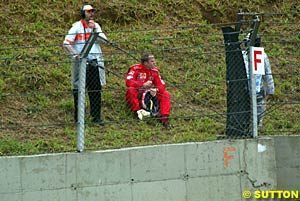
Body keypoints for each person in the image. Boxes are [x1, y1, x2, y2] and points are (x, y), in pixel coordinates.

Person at [63, 4, 108, 125]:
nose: (91, 14)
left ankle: (96, 117)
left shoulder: (96, 26)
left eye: (92, 11)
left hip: (94, 62)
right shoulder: (76, 27)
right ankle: (79, 119)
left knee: (96, 90)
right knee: (79, 90)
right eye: (88, 12)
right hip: (81, 63)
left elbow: (104, 41)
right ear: (83, 13)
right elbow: (66, 43)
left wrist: (95, 30)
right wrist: (75, 55)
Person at [125, 52, 172, 128]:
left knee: (165, 94)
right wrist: (142, 84)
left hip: (149, 95)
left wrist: (156, 89)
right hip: (137, 94)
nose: (155, 63)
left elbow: (162, 85)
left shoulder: (155, 71)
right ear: (145, 63)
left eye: (154, 60)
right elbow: (128, 81)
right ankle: (137, 113)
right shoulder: (135, 68)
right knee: (131, 90)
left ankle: (164, 119)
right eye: (152, 61)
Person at [243, 34, 275, 126]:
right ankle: (253, 126)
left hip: (249, 88)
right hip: (255, 89)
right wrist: (270, 90)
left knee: (256, 110)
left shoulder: (243, 55)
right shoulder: (261, 55)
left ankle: (254, 127)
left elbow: (267, 73)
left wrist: (270, 90)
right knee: (256, 110)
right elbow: (268, 74)